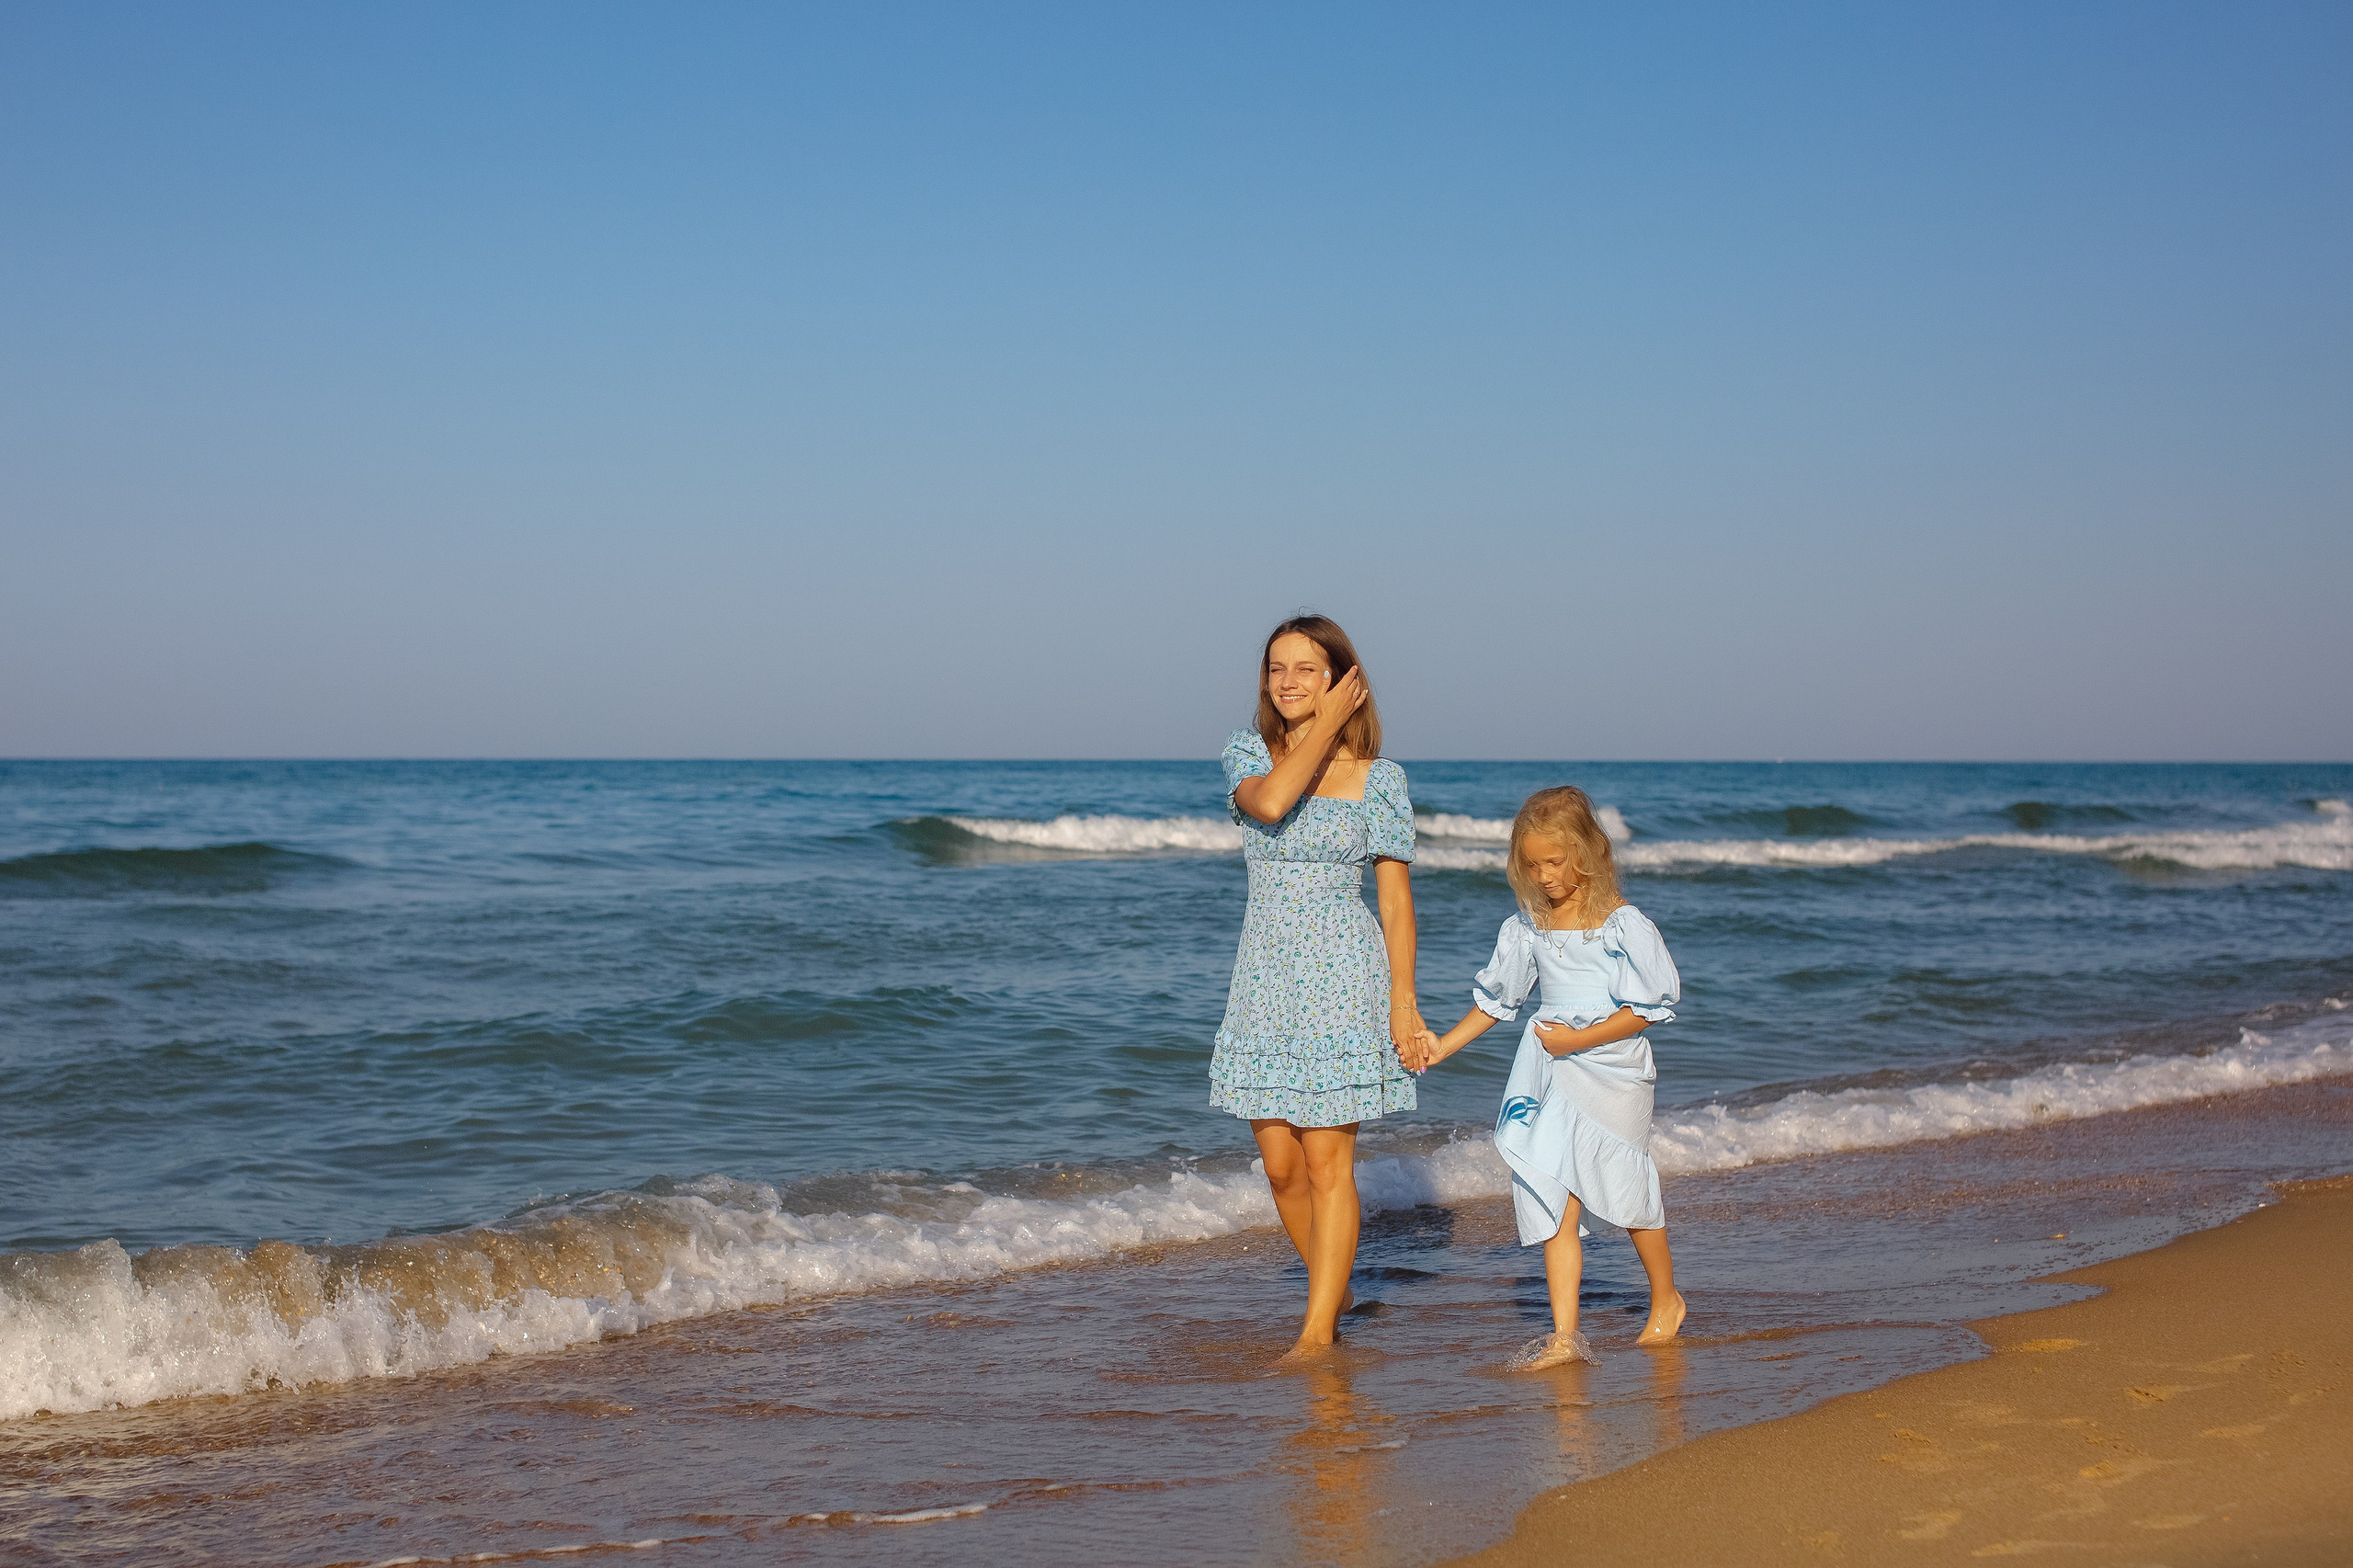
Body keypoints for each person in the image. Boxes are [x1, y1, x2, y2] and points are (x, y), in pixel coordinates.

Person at [1213, 614, 1431, 1358]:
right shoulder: (1246, 755)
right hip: (1264, 977)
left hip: (1344, 973)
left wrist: (1404, 1003)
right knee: (1280, 1167)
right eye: (1276, 668)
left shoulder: (1383, 780)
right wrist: (1327, 722)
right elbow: (1272, 805)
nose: (1287, 682)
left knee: (1328, 1163)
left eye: (1307, 669)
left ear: (1341, 678)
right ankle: (1331, 1295)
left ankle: (1314, 1333)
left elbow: (1396, 903)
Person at [1411, 786, 1686, 1369]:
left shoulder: (1621, 926)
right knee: (1550, 1188)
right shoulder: (1528, 927)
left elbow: (1651, 1007)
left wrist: (1578, 1039)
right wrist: (1443, 1046)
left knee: (1626, 1188)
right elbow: (1498, 1002)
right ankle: (1566, 1336)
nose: (1542, 876)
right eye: (1530, 865)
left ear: (1586, 852)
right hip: (1547, 1071)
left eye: (1553, 863)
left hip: (1611, 1071)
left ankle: (1666, 1298)